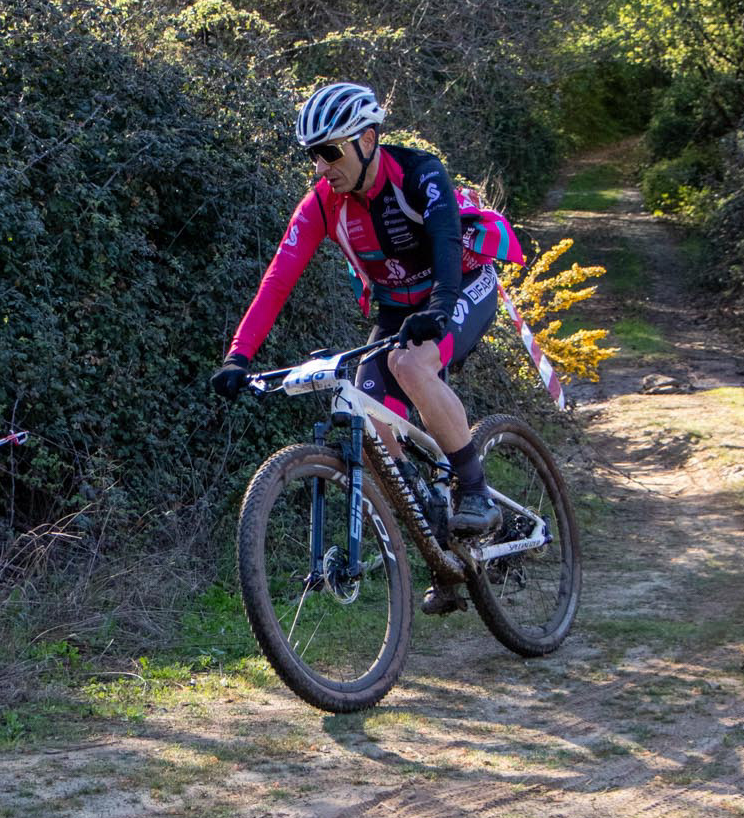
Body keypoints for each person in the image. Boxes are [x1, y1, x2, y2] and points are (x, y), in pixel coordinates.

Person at [210, 81, 523, 615]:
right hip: (400, 311)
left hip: (460, 287)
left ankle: (473, 489)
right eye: (314, 155)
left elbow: (447, 241)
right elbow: (277, 281)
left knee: (410, 365)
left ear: (369, 139)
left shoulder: (418, 173)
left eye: (331, 152)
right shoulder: (321, 204)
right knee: (370, 416)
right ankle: (440, 545)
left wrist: (441, 304)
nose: (321, 166)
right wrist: (238, 356)